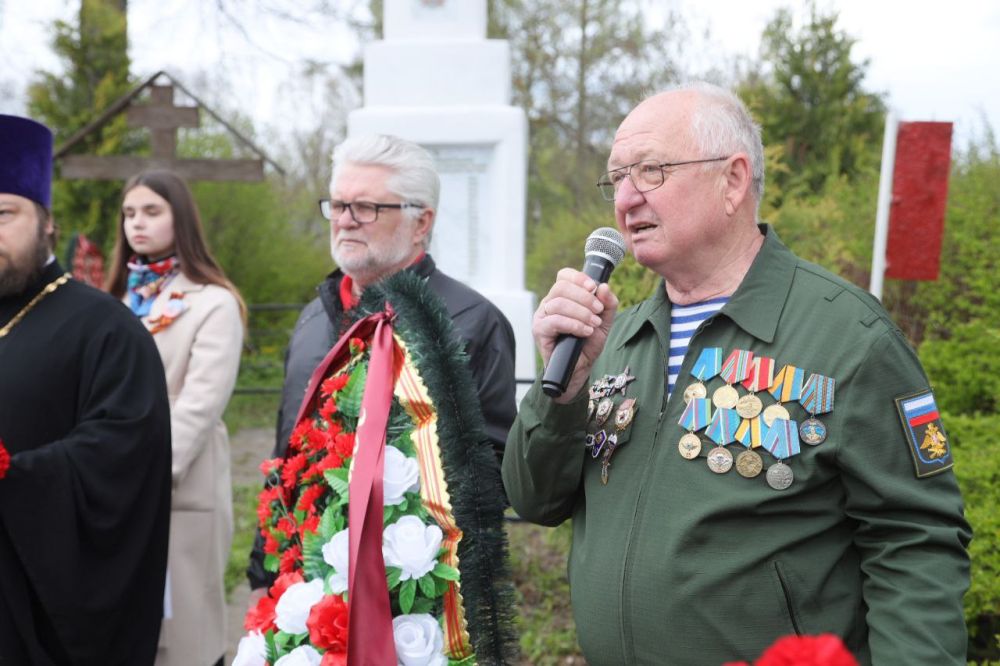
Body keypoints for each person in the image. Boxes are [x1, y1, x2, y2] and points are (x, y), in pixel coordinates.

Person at [502, 82, 972, 665]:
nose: (625, 198)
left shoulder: (848, 337)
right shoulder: (613, 338)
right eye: (616, 178)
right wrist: (564, 394)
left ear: (732, 180)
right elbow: (535, 500)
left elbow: (916, 544)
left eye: (650, 171)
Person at [245, 133, 517, 598]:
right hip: (305, 592)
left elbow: (491, 473)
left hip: (409, 596)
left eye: (367, 207)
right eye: (338, 205)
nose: (345, 220)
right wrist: (266, 575)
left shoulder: (470, 323)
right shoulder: (313, 319)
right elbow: (284, 453)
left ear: (420, 222)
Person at [0, 116, 172, 663]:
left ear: (47, 222)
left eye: (3, 214)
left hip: (32, 608)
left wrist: (14, 475)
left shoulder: (106, 328)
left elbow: (125, 454)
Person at [105, 170, 246, 666]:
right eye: (129, 213)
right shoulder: (112, 302)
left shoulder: (214, 303)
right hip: (108, 483)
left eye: (151, 211)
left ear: (179, 218)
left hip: (174, 478)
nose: (137, 223)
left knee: (185, 629)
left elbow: (200, 403)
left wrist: (143, 475)